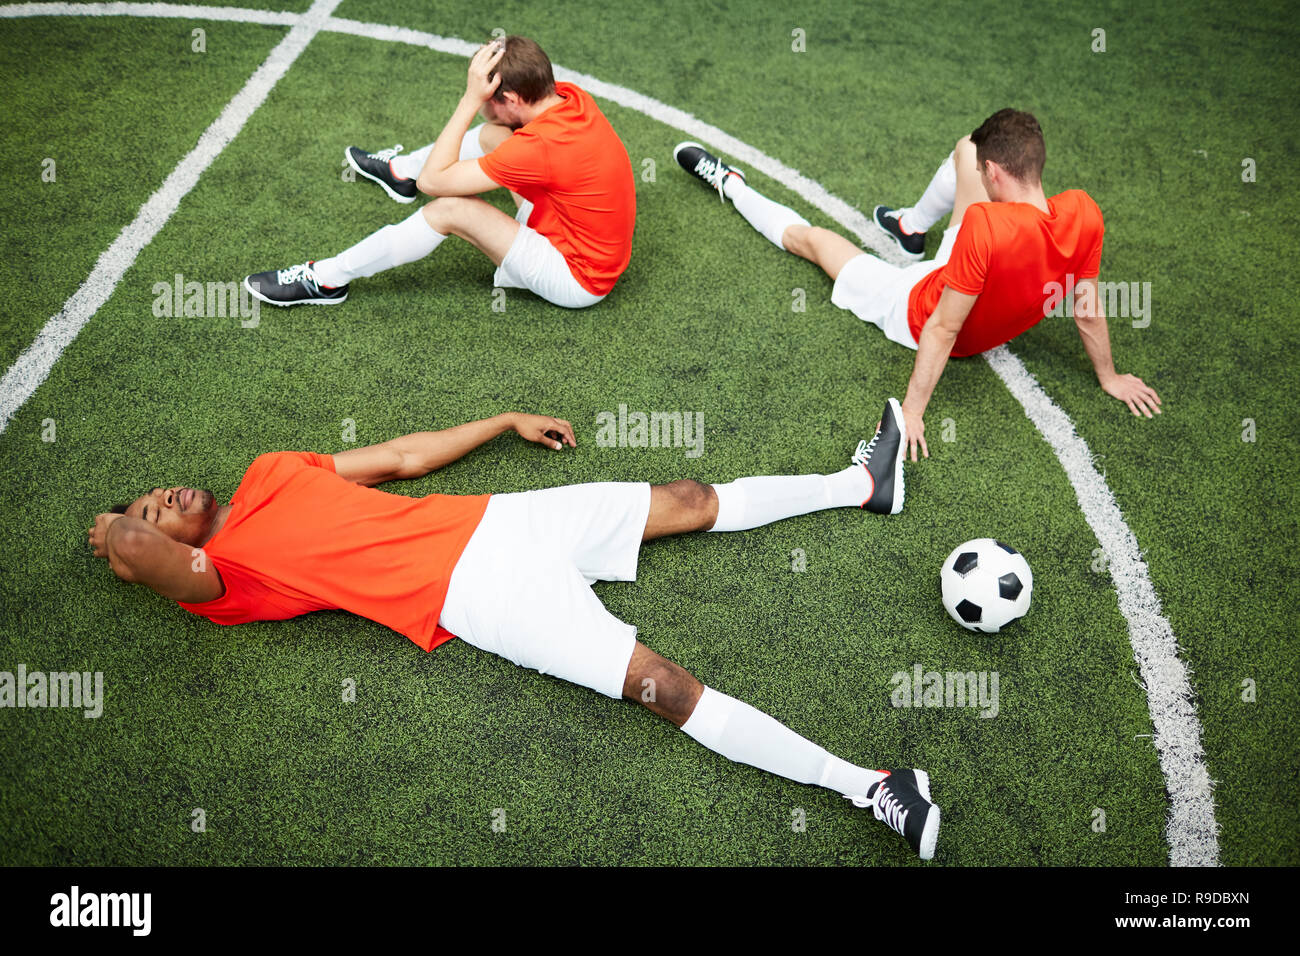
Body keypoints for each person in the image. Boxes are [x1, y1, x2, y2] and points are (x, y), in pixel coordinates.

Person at [87, 400, 942, 860]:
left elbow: (399, 459)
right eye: (155, 515)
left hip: (497, 519)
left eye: (157, 492)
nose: (163, 501)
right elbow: (131, 547)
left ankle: (860, 484)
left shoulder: (272, 473)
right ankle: (867, 785)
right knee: (662, 686)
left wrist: (503, 422)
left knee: (688, 498)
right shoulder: (223, 580)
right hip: (478, 595)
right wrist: (112, 526)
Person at [674, 108, 1162, 462]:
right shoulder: (1083, 210)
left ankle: (732, 184)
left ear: (995, 173)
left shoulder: (986, 227)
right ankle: (909, 227)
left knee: (813, 241)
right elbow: (1087, 307)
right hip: (968, 266)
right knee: (967, 145)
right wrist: (1109, 376)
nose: (980, 173)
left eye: (982, 172)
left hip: (909, 305)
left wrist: (912, 411)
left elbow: (943, 329)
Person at [244, 36, 635, 310]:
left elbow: (435, 183)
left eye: (487, 97)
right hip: (581, 238)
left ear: (512, 98)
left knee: (449, 208)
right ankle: (400, 173)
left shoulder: (537, 149)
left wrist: (469, 99)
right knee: (494, 134)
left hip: (578, 278)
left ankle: (326, 280)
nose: (480, 100)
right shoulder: (568, 96)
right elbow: (518, 141)